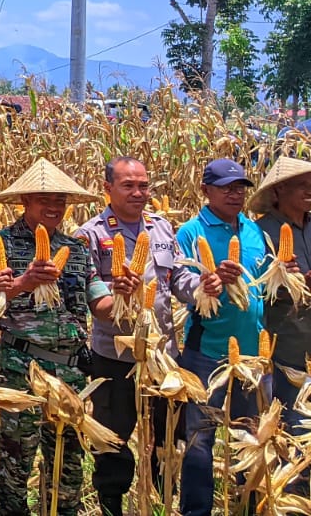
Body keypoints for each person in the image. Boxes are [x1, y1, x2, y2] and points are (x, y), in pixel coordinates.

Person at [0, 159, 109, 516]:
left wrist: (126, 297)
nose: (54, 207)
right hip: (21, 369)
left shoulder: (77, 249)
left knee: (67, 469)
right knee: (15, 465)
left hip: (70, 372)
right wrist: (24, 282)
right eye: (44, 199)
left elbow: (98, 302)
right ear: (25, 200)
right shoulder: (1, 244)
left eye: (60, 200)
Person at [72, 156, 185, 516]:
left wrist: (206, 287)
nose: (138, 193)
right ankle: (112, 505)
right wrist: (117, 293)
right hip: (115, 356)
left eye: (143, 186)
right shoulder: (90, 234)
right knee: (112, 439)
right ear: (108, 189)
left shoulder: (162, 228)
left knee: (168, 437)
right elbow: (92, 299)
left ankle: (161, 502)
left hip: (161, 354)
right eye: (128, 186)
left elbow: (179, 279)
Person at [173, 159, 269, 516]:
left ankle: (248, 506)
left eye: (240, 187)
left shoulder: (254, 230)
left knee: (252, 437)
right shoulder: (190, 231)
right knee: (199, 440)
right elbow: (178, 281)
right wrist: (205, 283)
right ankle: (196, 510)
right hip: (207, 352)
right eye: (226, 187)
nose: (235, 194)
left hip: (252, 353)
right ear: (205, 190)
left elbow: (264, 280)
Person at [249, 157, 311, 422]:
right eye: (302, 185)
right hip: (289, 344)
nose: (310, 191)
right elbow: (254, 285)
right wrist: (297, 284)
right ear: (280, 189)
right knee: (293, 421)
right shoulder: (259, 232)